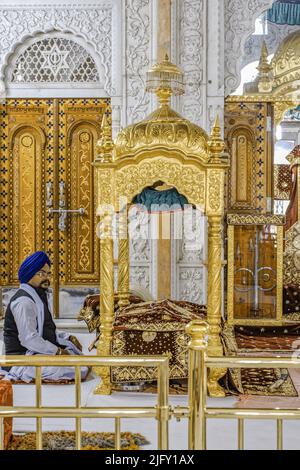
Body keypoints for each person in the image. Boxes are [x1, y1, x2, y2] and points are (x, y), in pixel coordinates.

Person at [1, 251, 89, 383]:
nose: (46, 278)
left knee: (76, 355)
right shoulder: (24, 302)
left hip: (34, 353)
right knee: (75, 368)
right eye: (41, 274)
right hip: (21, 359)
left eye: (48, 273)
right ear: (30, 274)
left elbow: (42, 328)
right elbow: (29, 339)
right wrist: (57, 351)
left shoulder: (37, 296)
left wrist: (67, 337)